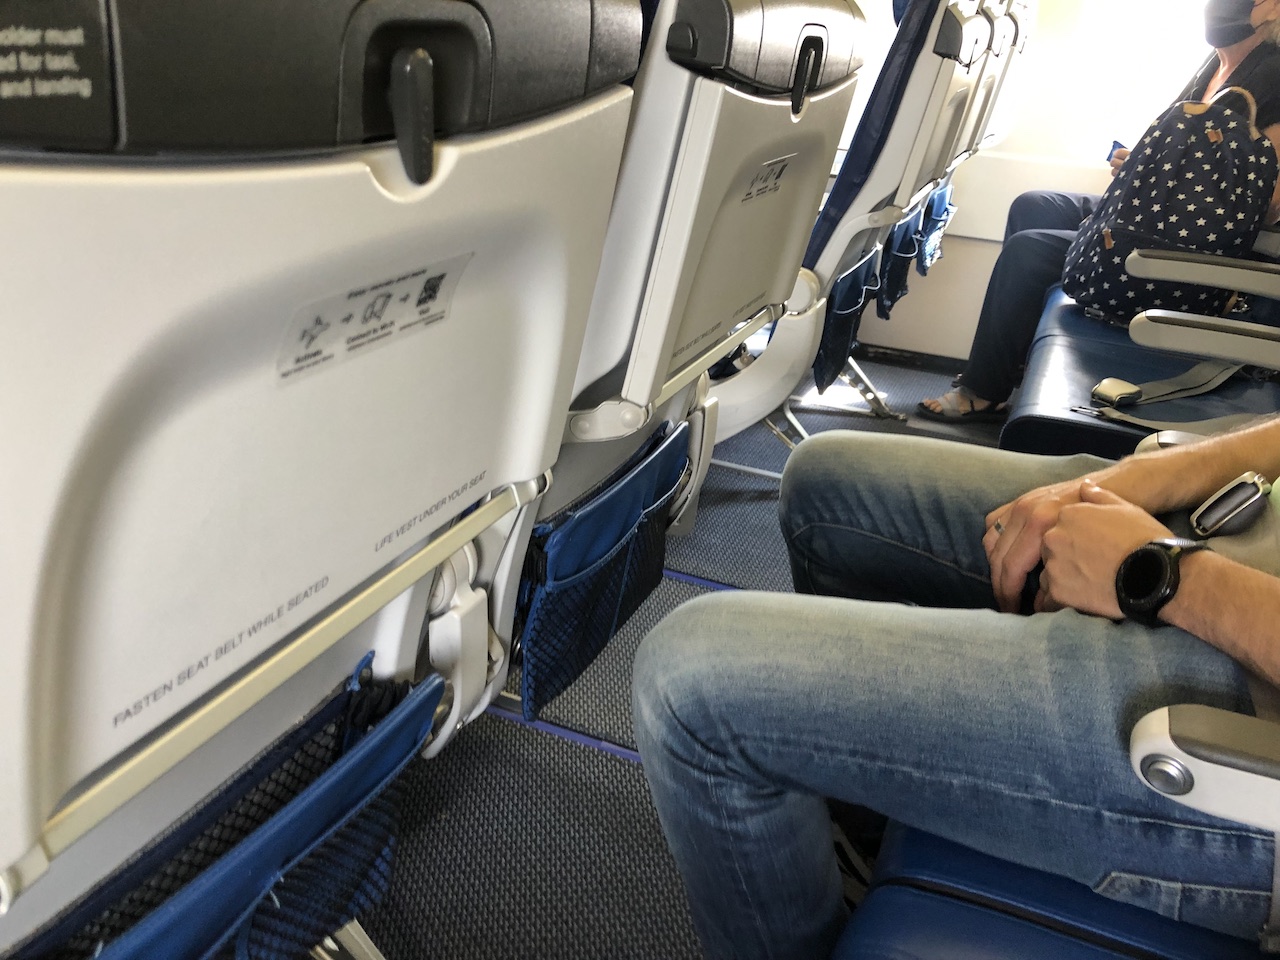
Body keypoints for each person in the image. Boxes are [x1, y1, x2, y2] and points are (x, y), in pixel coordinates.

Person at [633, 419, 1280, 959]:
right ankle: (864, 829)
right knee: (821, 482)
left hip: (1248, 707)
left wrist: (1162, 575)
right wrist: (1140, 479)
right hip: (1245, 530)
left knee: (692, 684)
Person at [919, 0, 1280, 422]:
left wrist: (1168, 178)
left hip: (1199, 245)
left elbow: (1269, 201)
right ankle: (1010, 369)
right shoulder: (1213, 67)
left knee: (1028, 251)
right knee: (1034, 206)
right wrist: (1141, 163)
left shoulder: (1274, 78)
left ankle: (982, 392)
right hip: (1157, 212)